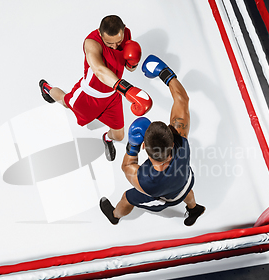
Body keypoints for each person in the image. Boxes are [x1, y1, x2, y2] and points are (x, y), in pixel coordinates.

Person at [100, 54, 206, 226]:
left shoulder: (147, 180)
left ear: (144, 147)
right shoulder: (181, 139)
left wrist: (132, 144)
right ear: (172, 142)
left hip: (165, 196)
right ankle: (194, 208)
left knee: (127, 198)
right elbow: (182, 100)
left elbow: (126, 167)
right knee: (186, 189)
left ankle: (114, 215)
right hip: (185, 180)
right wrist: (165, 73)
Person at [39, 15, 152, 161]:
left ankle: (106, 138)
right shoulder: (91, 43)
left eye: (118, 41)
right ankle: (47, 88)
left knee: (119, 135)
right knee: (66, 102)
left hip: (113, 95)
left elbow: (128, 68)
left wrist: (133, 63)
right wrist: (127, 89)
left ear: (123, 29)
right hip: (90, 95)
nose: (114, 46)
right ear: (100, 33)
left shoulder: (126, 35)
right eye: (109, 43)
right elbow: (99, 70)